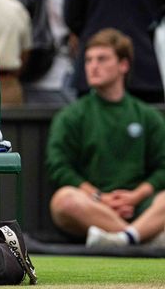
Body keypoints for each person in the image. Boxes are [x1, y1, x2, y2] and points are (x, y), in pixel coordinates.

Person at [47, 28, 165, 247]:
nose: (93, 66)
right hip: (93, 207)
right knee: (63, 200)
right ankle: (139, 238)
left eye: (102, 59)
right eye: (89, 60)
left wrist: (136, 196)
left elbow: (163, 167)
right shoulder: (71, 116)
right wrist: (100, 197)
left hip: (140, 206)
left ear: (123, 65)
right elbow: (59, 167)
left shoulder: (148, 116)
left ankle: (121, 239)